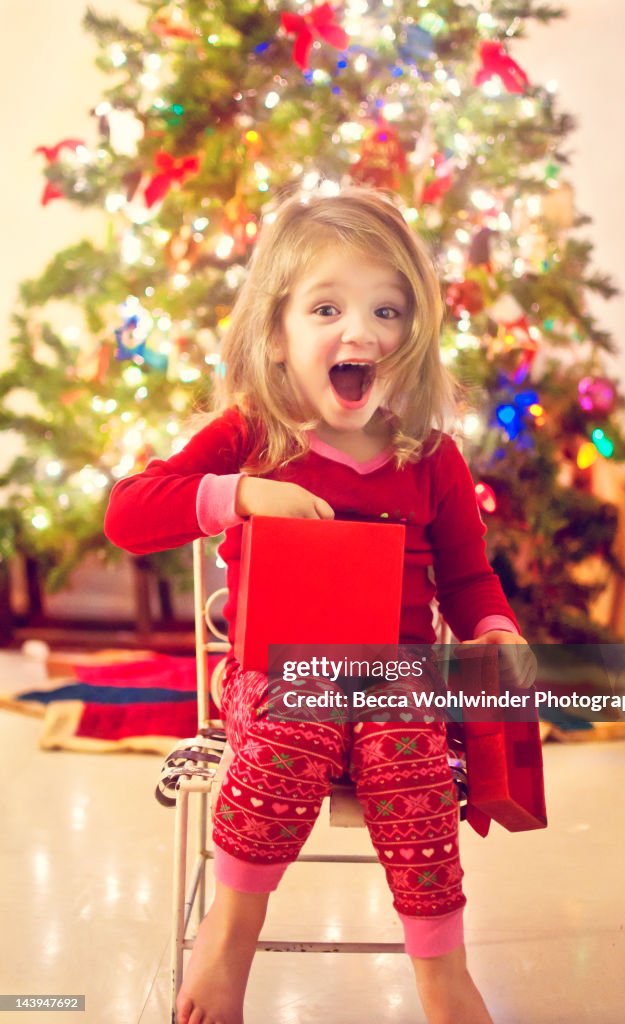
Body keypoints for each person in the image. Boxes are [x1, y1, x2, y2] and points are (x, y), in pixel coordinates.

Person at [105, 185, 533, 1024]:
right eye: (328, 307)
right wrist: (241, 496)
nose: (361, 332)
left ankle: (441, 971)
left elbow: (469, 577)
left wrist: (494, 629)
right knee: (296, 717)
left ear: (415, 335)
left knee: (407, 734)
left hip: (393, 683)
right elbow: (129, 513)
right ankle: (229, 938)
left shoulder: (430, 457)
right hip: (276, 678)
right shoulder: (250, 437)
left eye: (387, 310)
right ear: (277, 332)